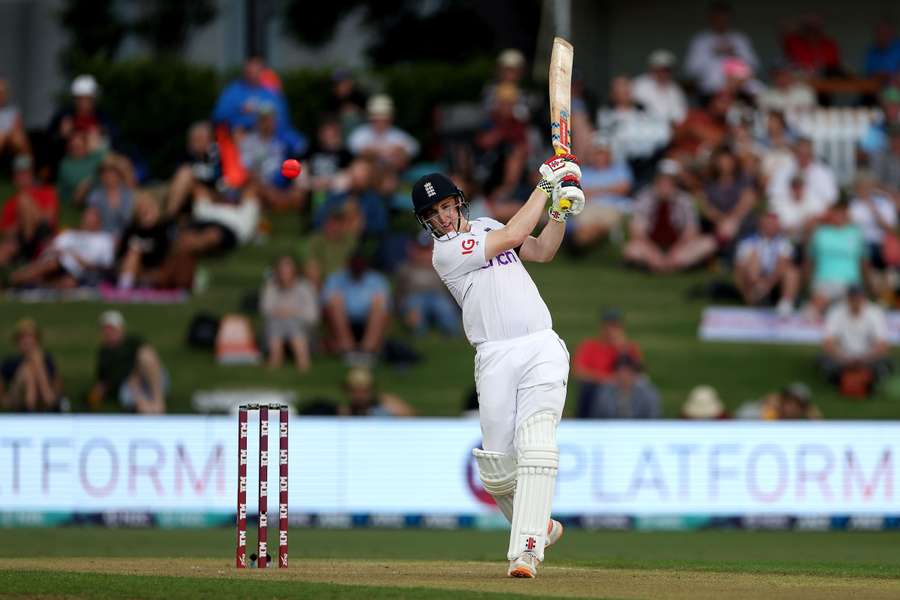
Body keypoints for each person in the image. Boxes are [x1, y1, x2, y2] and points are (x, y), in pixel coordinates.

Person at [410, 151, 584, 577]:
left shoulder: (488, 225)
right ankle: (538, 525)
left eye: (446, 207)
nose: (443, 218)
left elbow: (540, 250)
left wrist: (559, 212)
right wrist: (545, 185)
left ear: (458, 203)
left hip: (541, 344)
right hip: (494, 356)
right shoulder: (445, 254)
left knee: (539, 442)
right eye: (433, 214)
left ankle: (526, 551)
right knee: (496, 469)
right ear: (427, 222)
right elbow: (513, 236)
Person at [624, 160, 716, 273]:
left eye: (669, 180)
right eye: (662, 180)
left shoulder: (685, 199)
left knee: (708, 243)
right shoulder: (644, 197)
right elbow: (637, 231)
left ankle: (666, 264)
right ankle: (665, 264)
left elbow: (691, 231)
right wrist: (653, 253)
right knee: (632, 250)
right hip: (650, 245)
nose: (665, 184)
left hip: (678, 246)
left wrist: (675, 252)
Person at [212, 56, 305, 153]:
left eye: (257, 70)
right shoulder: (233, 91)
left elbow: (283, 120)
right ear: (245, 72)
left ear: (262, 72)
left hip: (270, 136)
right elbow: (218, 115)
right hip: (242, 135)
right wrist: (240, 110)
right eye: (250, 71)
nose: (253, 74)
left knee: (299, 144)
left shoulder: (271, 93)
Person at [9, 206, 114, 289]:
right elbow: (49, 251)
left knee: (68, 283)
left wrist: (84, 263)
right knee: (52, 263)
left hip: (80, 272)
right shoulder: (69, 234)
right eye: (86, 214)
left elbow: (106, 266)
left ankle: (18, 281)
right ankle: (13, 279)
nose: (86, 218)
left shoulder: (104, 239)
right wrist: (58, 252)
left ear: (99, 219)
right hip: (56, 263)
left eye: (91, 215)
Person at [89, 310, 167, 414]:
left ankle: (158, 402)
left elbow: (149, 358)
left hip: (147, 379)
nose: (108, 332)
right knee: (135, 393)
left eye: (112, 328)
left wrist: (135, 375)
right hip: (128, 387)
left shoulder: (133, 342)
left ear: (120, 328)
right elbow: (103, 380)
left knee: (146, 356)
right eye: (105, 329)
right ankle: (147, 409)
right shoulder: (104, 353)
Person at [819, 285, 892, 391]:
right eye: (853, 298)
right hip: (842, 357)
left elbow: (882, 344)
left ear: (864, 299)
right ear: (848, 299)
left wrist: (865, 358)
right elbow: (828, 343)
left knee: (884, 363)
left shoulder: (875, 312)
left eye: (858, 298)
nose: (856, 301)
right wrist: (843, 358)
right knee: (825, 361)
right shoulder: (836, 311)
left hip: (868, 357)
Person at [322, 252, 391, 362]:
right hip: (343, 323)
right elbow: (326, 307)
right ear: (348, 265)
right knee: (334, 301)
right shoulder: (335, 279)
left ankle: (367, 350)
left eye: (360, 264)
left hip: (368, 322)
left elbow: (386, 310)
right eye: (355, 264)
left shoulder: (378, 280)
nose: (358, 267)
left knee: (379, 303)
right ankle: (347, 349)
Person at [573, 309, 643, 418]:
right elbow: (579, 372)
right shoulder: (590, 346)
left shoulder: (628, 347)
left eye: (614, 326)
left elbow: (638, 372)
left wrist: (622, 348)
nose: (610, 330)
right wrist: (607, 379)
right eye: (608, 326)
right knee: (588, 389)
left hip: (622, 387)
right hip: (598, 388)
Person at [568, 137, 633, 252]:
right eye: (596, 153)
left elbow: (624, 189)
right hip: (588, 207)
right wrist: (610, 189)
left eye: (602, 153)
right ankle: (583, 244)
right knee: (584, 224)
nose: (599, 157)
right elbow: (580, 193)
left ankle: (580, 245)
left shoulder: (619, 168)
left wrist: (594, 191)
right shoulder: (583, 171)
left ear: (609, 154)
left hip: (612, 207)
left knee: (592, 227)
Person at [684, 2, 759, 96]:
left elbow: (753, 65)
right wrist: (713, 53)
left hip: (739, 91)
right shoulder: (701, 40)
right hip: (710, 92)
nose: (721, 21)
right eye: (717, 18)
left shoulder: (739, 39)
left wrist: (734, 53)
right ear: (711, 19)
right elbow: (691, 70)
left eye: (724, 18)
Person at [807, 198, 868, 315]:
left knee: (855, 312)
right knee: (813, 313)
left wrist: (866, 286)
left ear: (847, 214)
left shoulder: (856, 234)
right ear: (831, 214)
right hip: (824, 279)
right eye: (836, 213)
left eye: (842, 212)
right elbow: (810, 260)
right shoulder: (820, 233)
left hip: (850, 282)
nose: (839, 216)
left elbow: (864, 262)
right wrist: (808, 285)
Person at [260, 255, 319, 372]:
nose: (284, 273)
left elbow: (312, 315)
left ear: (294, 271)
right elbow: (266, 310)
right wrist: (286, 314)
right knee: (275, 322)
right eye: (281, 270)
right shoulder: (270, 287)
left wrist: (292, 313)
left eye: (287, 270)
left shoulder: (305, 288)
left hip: (302, 327)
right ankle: (275, 358)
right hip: (276, 324)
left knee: (292, 323)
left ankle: (302, 360)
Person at [394, 232, 460, 336]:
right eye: (420, 250)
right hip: (414, 298)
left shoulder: (441, 266)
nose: (423, 254)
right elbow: (399, 294)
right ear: (412, 250)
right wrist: (402, 309)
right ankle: (419, 332)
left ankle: (452, 332)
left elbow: (451, 290)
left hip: (437, 297)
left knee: (444, 307)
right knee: (414, 308)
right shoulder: (405, 268)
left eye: (427, 250)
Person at [698, 146, 758, 258]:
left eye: (727, 161)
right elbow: (705, 206)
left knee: (729, 227)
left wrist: (731, 219)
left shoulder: (743, 178)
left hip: (741, 221)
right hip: (718, 223)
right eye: (721, 161)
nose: (725, 164)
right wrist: (719, 219)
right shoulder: (709, 182)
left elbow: (747, 202)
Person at [734, 211, 799, 315]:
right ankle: (755, 297)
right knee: (752, 259)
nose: (771, 227)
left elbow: (785, 263)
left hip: (774, 279)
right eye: (768, 224)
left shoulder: (783, 242)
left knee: (791, 272)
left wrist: (768, 283)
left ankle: (786, 303)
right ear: (761, 225)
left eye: (774, 224)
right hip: (753, 280)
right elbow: (740, 268)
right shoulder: (748, 242)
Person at [0, 155, 58, 269]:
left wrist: (28, 210)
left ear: (32, 175)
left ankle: (28, 252)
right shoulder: (10, 203)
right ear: (14, 178)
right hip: (19, 240)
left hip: (43, 237)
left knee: (24, 201)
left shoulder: (47, 193)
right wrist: (23, 220)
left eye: (26, 173)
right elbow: (8, 233)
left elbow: (48, 220)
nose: (22, 177)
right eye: (19, 174)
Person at [0, 319, 61, 412]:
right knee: (28, 371)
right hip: (18, 398)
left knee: (32, 367)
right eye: (23, 337)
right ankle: (42, 404)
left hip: (42, 395)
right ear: (17, 341)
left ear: (36, 340)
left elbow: (57, 386)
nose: (27, 341)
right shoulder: (10, 362)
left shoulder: (47, 360)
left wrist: (38, 364)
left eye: (30, 336)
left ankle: (33, 407)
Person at [347, 94, 419, 171]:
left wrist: (399, 152)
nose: (380, 122)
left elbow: (414, 148)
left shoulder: (398, 134)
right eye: (377, 118)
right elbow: (354, 148)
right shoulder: (360, 133)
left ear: (390, 119)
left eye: (384, 118)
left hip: (394, 172)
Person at [583, 355, 661, 419]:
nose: (623, 377)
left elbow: (653, 417)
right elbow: (597, 417)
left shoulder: (647, 393)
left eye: (628, 372)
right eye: (620, 372)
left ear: (634, 374)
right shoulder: (604, 392)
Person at [631, 50, 687, 125]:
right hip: (644, 127)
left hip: (671, 129)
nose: (663, 73)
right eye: (659, 69)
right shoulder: (639, 84)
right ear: (652, 68)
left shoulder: (675, 88)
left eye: (667, 70)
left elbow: (681, 114)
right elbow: (634, 110)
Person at [86, 154, 135, 236]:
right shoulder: (95, 195)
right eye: (105, 174)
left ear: (119, 175)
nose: (108, 177)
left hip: (125, 237)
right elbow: (90, 220)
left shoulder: (128, 194)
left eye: (112, 173)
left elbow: (130, 221)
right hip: (101, 237)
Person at [341, 367, 414, 416]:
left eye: (364, 391)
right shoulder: (345, 412)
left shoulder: (388, 405)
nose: (359, 396)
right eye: (355, 391)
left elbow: (415, 421)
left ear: (371, 390)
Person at [0, 78, 30, 158]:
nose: (1, 95)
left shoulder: (13, 111)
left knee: (19, 138)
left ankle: (26, 165)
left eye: (3, 92)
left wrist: (6, 135)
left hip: (12, 140)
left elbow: (17, 128)